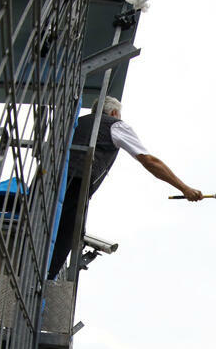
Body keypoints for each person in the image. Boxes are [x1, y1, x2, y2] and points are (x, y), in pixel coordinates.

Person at [47, 96, 203, 279]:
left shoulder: (75, 123)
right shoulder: (115, 125)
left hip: (49, 178)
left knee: (45, 226)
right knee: (69, 231)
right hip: (76, 181)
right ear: (114, 113)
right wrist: (184, 188)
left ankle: (34, 273)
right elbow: (149, 161)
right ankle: (45, 279)